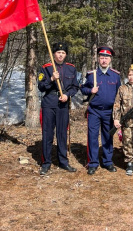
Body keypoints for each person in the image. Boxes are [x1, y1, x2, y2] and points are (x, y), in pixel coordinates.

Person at [38, 42, 79, 175]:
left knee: (62, 133)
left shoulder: (71, 68)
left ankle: (63, 161)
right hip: (49, 103)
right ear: (54, 54)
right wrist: (51, 78)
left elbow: (75, 86)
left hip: (63, 104)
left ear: (65, 54)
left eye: (63, 53)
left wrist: (67, 95)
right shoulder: (46, 68)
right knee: (47, 134)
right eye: (58, 52)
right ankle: (46, 163)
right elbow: (41, 86)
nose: (60, 55)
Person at [80, 46, 121, 175]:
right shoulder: (92, 75)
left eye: (106, 58)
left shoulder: (115, 75)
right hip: (94, 111)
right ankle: (93, 163)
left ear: (110, 60)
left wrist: (118, 114)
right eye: (102, 57)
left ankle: (108, 161)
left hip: (109, 112)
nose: (104, 60)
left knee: (108, 137)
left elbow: (120, 95)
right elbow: (82, 88)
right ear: (98, 59)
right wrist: (90, 91)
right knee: (92, 137)